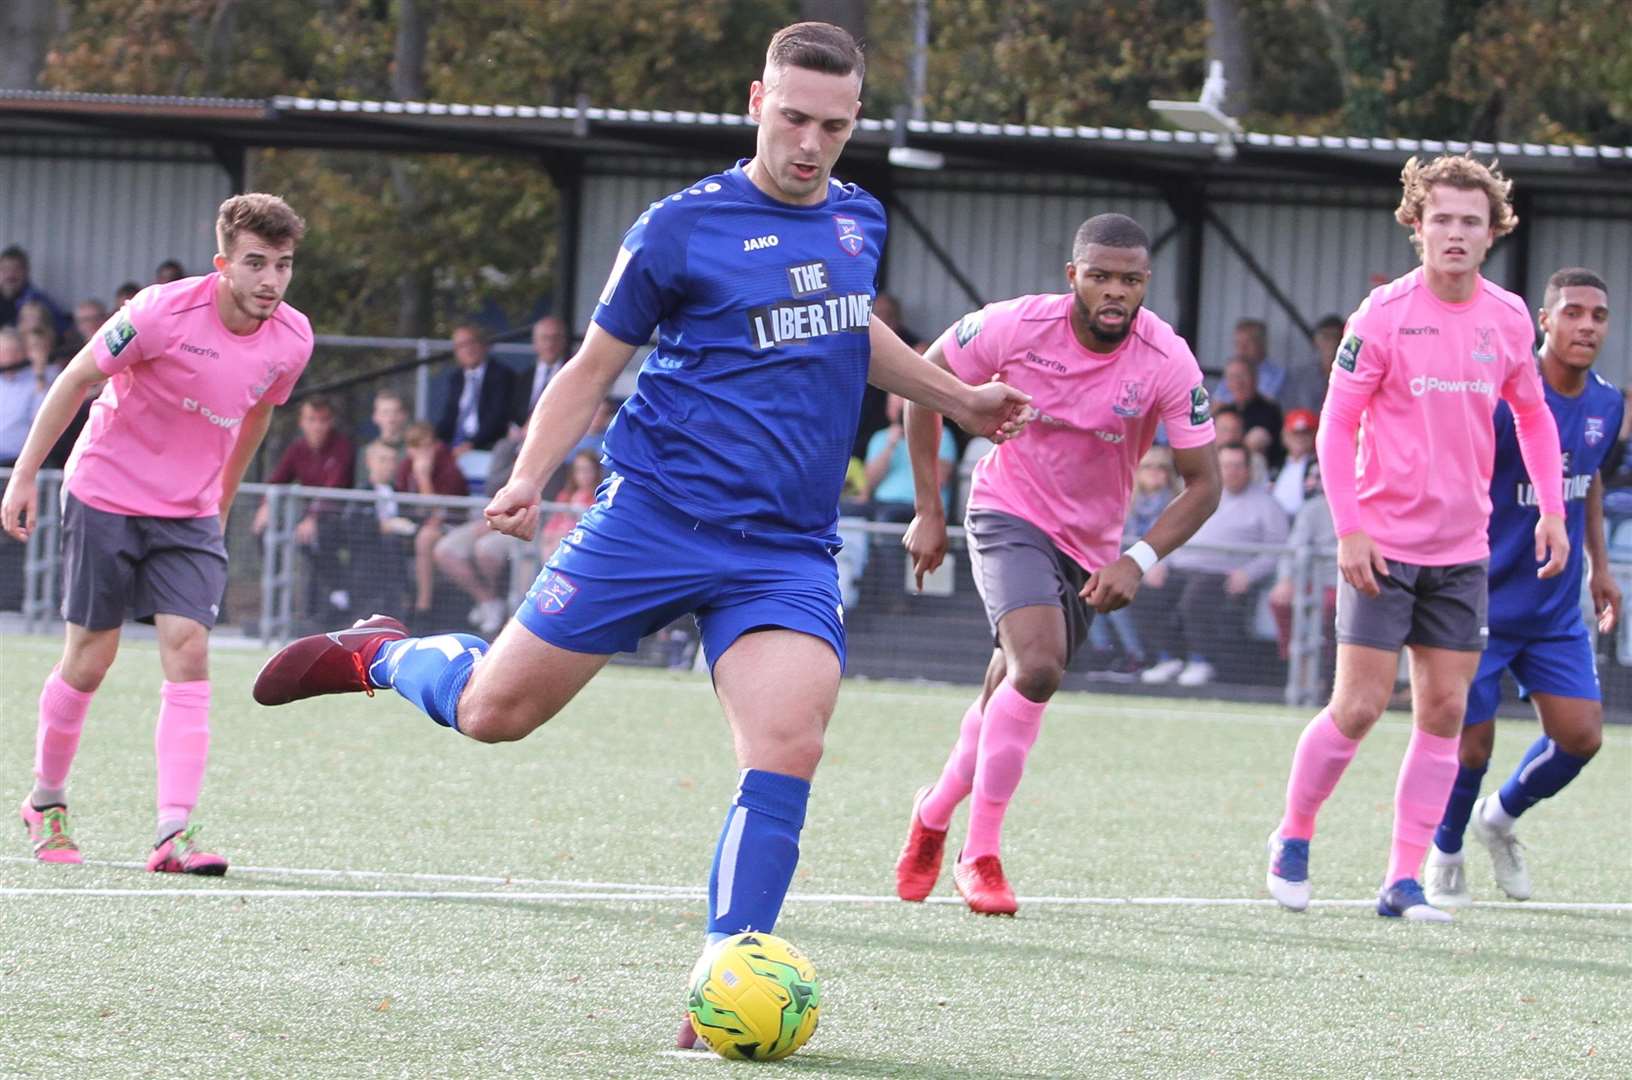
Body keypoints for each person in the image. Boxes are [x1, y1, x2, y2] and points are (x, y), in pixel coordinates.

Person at [249, 21, 1029, 1049]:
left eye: (834, 127)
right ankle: (385, 655)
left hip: (784, 549)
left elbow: (848, 322)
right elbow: (588, 368)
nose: (811, 144)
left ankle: (724, 980)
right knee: (493, 715)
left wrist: (957, 397)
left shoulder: (857, 220)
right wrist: (526, 476)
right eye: (793, 118)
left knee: (787, 744)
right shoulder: (679, 228)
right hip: (652, 519)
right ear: (757, 101)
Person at [1264, 154, 1567, 924]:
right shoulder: (1381, 317)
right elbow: (1335, 426)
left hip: (1463, 553)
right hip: (1384, 547)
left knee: (1444, 713)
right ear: (1417, 226)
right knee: (1359, 707)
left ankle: (1402, 881)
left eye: (1472, 221)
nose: (1456, 233)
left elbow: (1532, 415)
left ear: (1493, 231)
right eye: (1443, 219)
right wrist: (1351, 530)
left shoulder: (1505, 316)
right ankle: (1293, 836)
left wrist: (1554, 511)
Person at [894, 212, 1221, 914]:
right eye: (1100, 275)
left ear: (1145, 285)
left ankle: (934, 810)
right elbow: (921, 388)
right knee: (1037, 669)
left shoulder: (1168, 359)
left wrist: (1136, 557)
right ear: (1073, 275)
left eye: (1130, 280)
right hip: (1008, 512)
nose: (1115, 291)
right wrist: (929, 508)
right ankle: (979, 855)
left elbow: (1207, 482)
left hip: (1091, 545)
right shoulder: (1012, 326)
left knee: (1006, 689)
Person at [1, 194, 313, 873]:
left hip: (189, 512)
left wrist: (221, 502)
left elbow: (258, 414)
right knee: (90, 661)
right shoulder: (158, 312)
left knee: (189, 648)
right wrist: (24, 475)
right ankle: (45, 803)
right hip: (105, 493)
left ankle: (175, 833)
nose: (269, 281)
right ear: (222, 262)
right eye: (255, 263)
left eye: (282, 266)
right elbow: (76, 380)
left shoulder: (293, 339)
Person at [1425, 267, 1622, 907]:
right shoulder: (1505, 393)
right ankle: (1446, 849)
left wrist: (1600, 564)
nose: (1585, 325)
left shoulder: (1609, 403)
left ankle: (1499, 820)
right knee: (1471, 746)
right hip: (1482, 598)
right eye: (1572, 312)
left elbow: (1586, 482)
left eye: (1597, 315)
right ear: (1544, 320)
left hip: (1555, 605)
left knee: (1582, 736)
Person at [1134, 443, 1287, 688]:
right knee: (1145, 592)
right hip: (1182, 566)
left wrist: (1248, 574)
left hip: (1223, 574)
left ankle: (1200, 660)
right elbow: (1173, 533)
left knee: (1196, 598)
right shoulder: (1198, 496)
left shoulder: (1266, 505)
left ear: (1248, 469)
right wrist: (1160, 563)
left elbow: (1278, 551)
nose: (1232, 471)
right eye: (1226, 465)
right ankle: (1168, 658)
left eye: (1238, 466)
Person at [252, 395, 356, 619]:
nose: (317, 426)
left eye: (322, 420)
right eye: (311, 419)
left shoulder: (342, 447)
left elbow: (334, 488)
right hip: (306, 520)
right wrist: (265, 506)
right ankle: (279, 598)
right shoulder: (297, 449)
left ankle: (339, 598)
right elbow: (277, 480)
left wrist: (313, 518)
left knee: (318, 536)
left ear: (331, 422)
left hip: (338, 520)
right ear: (302, 422)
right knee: (263, 531)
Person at [395, 420, 468, 625]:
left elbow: (438, 511)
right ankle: (397, 602)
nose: (423, 453)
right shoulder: (405, 467)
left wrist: (423, 477)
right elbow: (404, 504)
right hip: (416, 523)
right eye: (416, 448)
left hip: (452, 524)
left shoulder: (448, 467)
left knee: (425, 539)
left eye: (427, 447)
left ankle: (423, 608)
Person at [434, 323, 517, 458]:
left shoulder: (501, 375)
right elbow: (450, 417)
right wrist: (433, 439)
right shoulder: (456, 378)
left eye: (471, 343)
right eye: (461, 346)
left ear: (484, 345)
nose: (468, 350)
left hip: (487, 445)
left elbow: (497, 418)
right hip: (456, 444)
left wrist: (472, 444)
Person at [1223, 356, 1285, 471]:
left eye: (1242, 376)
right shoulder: (1224, 412)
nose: (1238, 382)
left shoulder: (1270, 410)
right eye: (1232, 377)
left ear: (1255, 379)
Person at [1278, 314, 1344, 415]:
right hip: (1304, 426)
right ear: (1316, 340)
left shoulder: (1356, 376)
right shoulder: (1299, 376)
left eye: (1336, 336)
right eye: (1325, 336)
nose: (1331, 342)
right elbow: (1286, 410)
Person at [1211, 317, 1285, 404]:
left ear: (1261, 344)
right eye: (1238, 343)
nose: (1241, 348)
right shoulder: (1233, 370)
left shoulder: (1276, 374)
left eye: (1247, 343)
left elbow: (1262, 404)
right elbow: (1216, 404)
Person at [0, 245, 68, 334]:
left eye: (16, 269)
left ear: (26, 271)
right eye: (5, 269)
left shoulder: (40, 301)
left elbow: (63, 331)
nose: (10, 274)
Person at [1271, 408, 1318, 517]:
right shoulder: (1276, 467)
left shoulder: (1319, 467)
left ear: (1314, 435)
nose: (1300, 438)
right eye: (1295, 433)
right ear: (1285, 436)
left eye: (1305, 433)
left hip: (1306, 523)